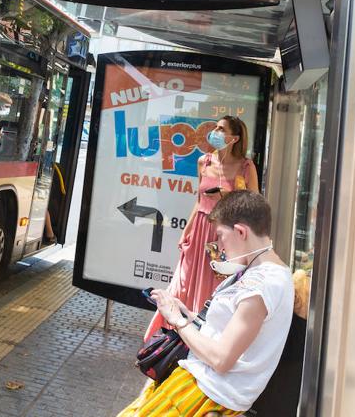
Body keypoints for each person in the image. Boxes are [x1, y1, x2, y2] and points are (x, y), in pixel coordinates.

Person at [119, 191, 293, 416]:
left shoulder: (261, 284)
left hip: (205, 394)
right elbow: (224, 332)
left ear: (240, 231)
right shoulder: (263, 272)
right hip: (203, 387)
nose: (220, 246)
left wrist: (178, 322)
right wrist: (186, 314)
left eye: (220, 236)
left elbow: (221, 359)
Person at [145, 115, 259, 339]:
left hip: (223, 234)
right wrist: (186, 232)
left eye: (220, 129)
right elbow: (198, 200)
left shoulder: (246, 166)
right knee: (184, 282)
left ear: (234, 138)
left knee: (212, 284)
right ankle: (175, 333)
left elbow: (254, 205)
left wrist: (226, 196)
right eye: (215, 127)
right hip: (199, 229)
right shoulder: (204, 161)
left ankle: (204, 337)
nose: (214, 132)